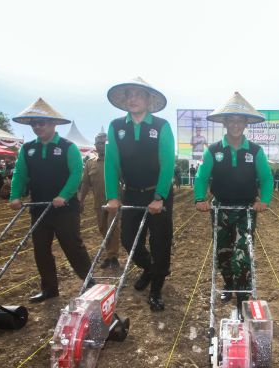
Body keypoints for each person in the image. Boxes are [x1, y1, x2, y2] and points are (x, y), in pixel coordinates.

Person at [9, 98, 92, 303]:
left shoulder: (67, 147)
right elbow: (20, 174)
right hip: (39, 208)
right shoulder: (28, 149)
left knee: (73, 246)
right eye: (34, 124)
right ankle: (49, 289)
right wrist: (15, 196)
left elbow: (76, 174)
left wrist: (64, 195)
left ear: (54, 124)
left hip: (64, 209)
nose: (37, 127)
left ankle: (90, 283)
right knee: (41, 250)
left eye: (42, 123)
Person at [194, 92, 273, 303]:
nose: (236, 124)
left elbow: (266, 178)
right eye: (232, 120)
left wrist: (263, 200)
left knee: (243, 253)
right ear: (225, 122)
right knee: (223, 253)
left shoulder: (255, 151)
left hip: (246, 209)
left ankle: (244, 291)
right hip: (220, 209)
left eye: (240, 120)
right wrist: (200, 199)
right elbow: (202, 177)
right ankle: (229, 284)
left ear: (246, 123)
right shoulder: (214, 150)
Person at [105, 77, 175, 312]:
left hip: (158, 194)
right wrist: (113, 195)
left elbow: (167, 164)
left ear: (148, 99)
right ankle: (150, 268)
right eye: (129, 95)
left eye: (138, 94)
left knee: (160, 242)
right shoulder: (116, 127)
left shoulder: (160, 126)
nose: (133, 99)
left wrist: (160, 196)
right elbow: (112, 163)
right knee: (128, 240)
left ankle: (156, 290)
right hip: (132, 193)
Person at [79, 132, 121, 270]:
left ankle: (112, 256)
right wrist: (81, 200)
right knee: (103, 228)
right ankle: (110, 254)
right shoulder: (90, 163)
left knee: (112, 228)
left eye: (103, 143)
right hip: (99, 203)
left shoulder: (116, 161)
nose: (101, 146)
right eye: (98, 143)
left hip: (115, 202)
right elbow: (85, 183)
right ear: (95, 145)